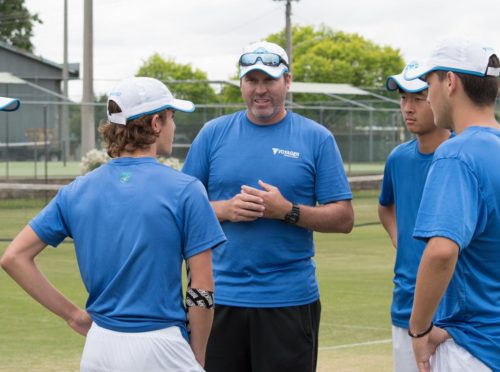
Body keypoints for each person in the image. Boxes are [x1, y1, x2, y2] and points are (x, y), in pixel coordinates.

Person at [1, 77, 226, 371]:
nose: (173, 127)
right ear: (156, 123)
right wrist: (197, 356)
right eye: (171, 118)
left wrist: (73, 315)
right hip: (161, 345)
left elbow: (14, 257)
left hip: (99, 346)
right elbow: (203, 287)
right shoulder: (185, 190)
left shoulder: (77, 190)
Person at [183, 41, 354, 372]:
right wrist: (225, 210)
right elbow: (182, 209)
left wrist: (287, 211)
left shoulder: (316, 138)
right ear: (242, 84)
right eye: (252, 80)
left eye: (269, 80)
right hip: (219, 301)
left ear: (287, 82)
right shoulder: (212, 134)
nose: (260, 90)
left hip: (289, 301)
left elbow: (344, 218)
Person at [404, 38, 500, 372]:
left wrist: (419, 330)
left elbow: (442, 252)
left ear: (450, 82)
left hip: (474, 351)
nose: (428, 95)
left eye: (429, 83)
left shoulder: (457, 153)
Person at [378, 66, 450, 372]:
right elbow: (385, 206)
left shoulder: (463, 154)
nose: (408, 108)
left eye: (419, 98)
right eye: (404, 99)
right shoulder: (398, 158)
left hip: (456, 312)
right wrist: (399, 237)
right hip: (406, 304)